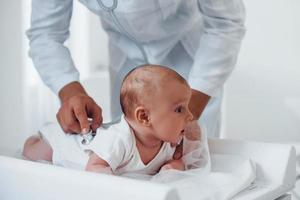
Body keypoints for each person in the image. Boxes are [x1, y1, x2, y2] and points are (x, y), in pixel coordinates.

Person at [27, 0, 245, 145]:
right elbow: (45, 34)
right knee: (127, 146)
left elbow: (225, 23)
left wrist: (188, 111)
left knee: (194, 153)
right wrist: (69, 90)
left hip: (190, 56)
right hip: (126, 56)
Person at [23, 65, 209, 175]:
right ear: (144, 117)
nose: (191, 115)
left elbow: (178, 163)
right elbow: (95, 167)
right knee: (38, 153)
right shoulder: (120, 140)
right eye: (179, 109)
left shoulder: (169, 141)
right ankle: (31, 143)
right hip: (71, 145)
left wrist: (174, 166)